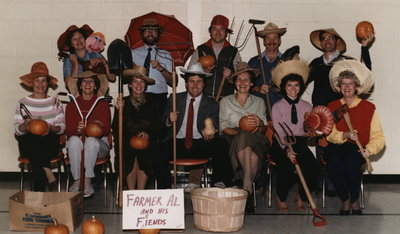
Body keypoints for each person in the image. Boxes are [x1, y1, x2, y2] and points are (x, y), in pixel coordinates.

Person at [308, 28, 375, 195]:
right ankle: (323, 183)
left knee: (339, 148)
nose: (327, 41)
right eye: (324, 38)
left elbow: (365, 70)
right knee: (321, 148)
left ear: (336, 41)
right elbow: (301, 81)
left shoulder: (345, 61)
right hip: (320, 112)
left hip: (341, 111)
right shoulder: (315, 63)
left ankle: (339, 185)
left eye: (331, 38)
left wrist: (365, 49)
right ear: (321, 42)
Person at [156, 63, 233, 191]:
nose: (195, 85)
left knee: (221, 145)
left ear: (204, 84)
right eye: (191, 81)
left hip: (200, 143)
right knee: (159, 150)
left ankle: (219, 184)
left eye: (199, 82)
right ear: (186, 84)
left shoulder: (211, 104)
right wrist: (169, 120)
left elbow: (213, 124)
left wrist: (210, 132)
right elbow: (161, 123)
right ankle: (164, 191)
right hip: (178, 143)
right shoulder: (175, 98)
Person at [326, 59, 385, 215]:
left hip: (358, 147)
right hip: (336, 145)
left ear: (357, 87)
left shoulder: (368, 107)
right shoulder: (332, 106)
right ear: (339, 87)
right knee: (334, 163)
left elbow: (378, 136)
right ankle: (345, 199)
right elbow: (329, 133)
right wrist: (344, 134)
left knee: (351, 164)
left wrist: (370, 150)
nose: (347, 87)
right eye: (343, 83)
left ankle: (354, 199)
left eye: (350, 83)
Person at [270, 59, 320, 211]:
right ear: (284, 87)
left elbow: (308, 129)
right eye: (289, 85)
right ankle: (281, 196)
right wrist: (286, 148)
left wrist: (313, 131)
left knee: (313, 167)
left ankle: (302, 195)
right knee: (285, 166)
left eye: (296, 85)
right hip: (281, 143)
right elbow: (278, 131)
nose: (293, 89)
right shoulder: (277, 107)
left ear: (301, 87)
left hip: (300, 143)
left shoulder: (307, 106)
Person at [219, 62, 268, 211]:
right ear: (234, 83)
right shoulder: (225, 101)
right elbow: (223, 127)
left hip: (256, 137)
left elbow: (264, 128)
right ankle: (248, 187)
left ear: (252, 83)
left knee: (246, 135)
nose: (242, 83)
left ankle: (242, 180)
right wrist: (240, 132)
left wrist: (259, 122)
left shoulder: (259, 101)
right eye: (238, 79)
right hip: (232, 136)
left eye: (246, 79)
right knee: (251, 154)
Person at [14, 62, 65, 192]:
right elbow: (17, 130)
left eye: (43, 81)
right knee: (32, 138)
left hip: (49, 142)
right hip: (29, 143)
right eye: (37, 81)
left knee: (40, 145)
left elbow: (62, 128)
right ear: (32, 83)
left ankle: (38, 193)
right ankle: (48, 171)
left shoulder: (55, 102)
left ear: (48, 83)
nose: (40, 84)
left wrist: (50, 128)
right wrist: (25, 126)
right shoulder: (23, 103)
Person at [112, 66, 161, 190]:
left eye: (142, 81)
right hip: (127, 140)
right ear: (129, 84)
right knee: (128, 150)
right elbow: (116, 127)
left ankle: (141, 192)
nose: (138, 85)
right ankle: (131, 192)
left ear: (145, 85)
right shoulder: (123, 102)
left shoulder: (153, 103)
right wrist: (120, 111)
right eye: (135, 81)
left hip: (148, 140)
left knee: (145, 150)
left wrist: (148, 134)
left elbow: (157, 127)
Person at [65, 71, 111, 197]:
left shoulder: (102, 104)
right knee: (73, 140)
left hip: (99, 144)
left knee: (91, 141)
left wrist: (98, 127)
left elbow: (106, 130)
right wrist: (78, 130)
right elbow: (69, 131)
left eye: (91, 81)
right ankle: (77, 180)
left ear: (95, 85)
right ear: (80, 85)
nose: (87, 84)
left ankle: (87, 180)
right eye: (84, 81)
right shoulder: (71, 105)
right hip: (78, 143)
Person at [188, 15, 242, 98]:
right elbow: (189, 73)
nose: (218, 33)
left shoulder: (233, 51)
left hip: (225, 99)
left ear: (226, 32)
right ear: (210, 31)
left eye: (221, 29)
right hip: (203, 98)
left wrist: (231, 75)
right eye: (214, 29)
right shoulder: (200, 49)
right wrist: (202, 73)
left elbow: (241, 77)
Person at [131, 18, 173, 112]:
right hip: (138, 96)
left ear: (158, 33)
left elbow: (174, 82)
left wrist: (161, 68)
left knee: (159, 126)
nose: (150, 33)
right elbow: (126, 78)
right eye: (146, 30)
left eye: (153, 30)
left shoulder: (166, 54)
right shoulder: (132, 54)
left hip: (159, 98)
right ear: (141, 33)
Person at [57, 24, 115, 90]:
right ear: (71, 44)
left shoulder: (95, 54)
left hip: (100, 96)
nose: (78, 41)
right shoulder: (68, 60)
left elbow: (112, 78)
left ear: (85, 39)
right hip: (78, 98)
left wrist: (104, 62)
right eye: (74, 39)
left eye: (80, 37)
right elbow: (68, 85)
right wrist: (75, 64)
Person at [248, 22, 287, 109]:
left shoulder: (287, 62)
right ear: (264, 41)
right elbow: (245, 85)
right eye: (268, 38)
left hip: (282, 109)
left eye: (275, 38)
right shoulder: (253, 62)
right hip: (257, 109)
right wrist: (258, 88)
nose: (271, 42)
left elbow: (295, 86)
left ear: (279, 40)